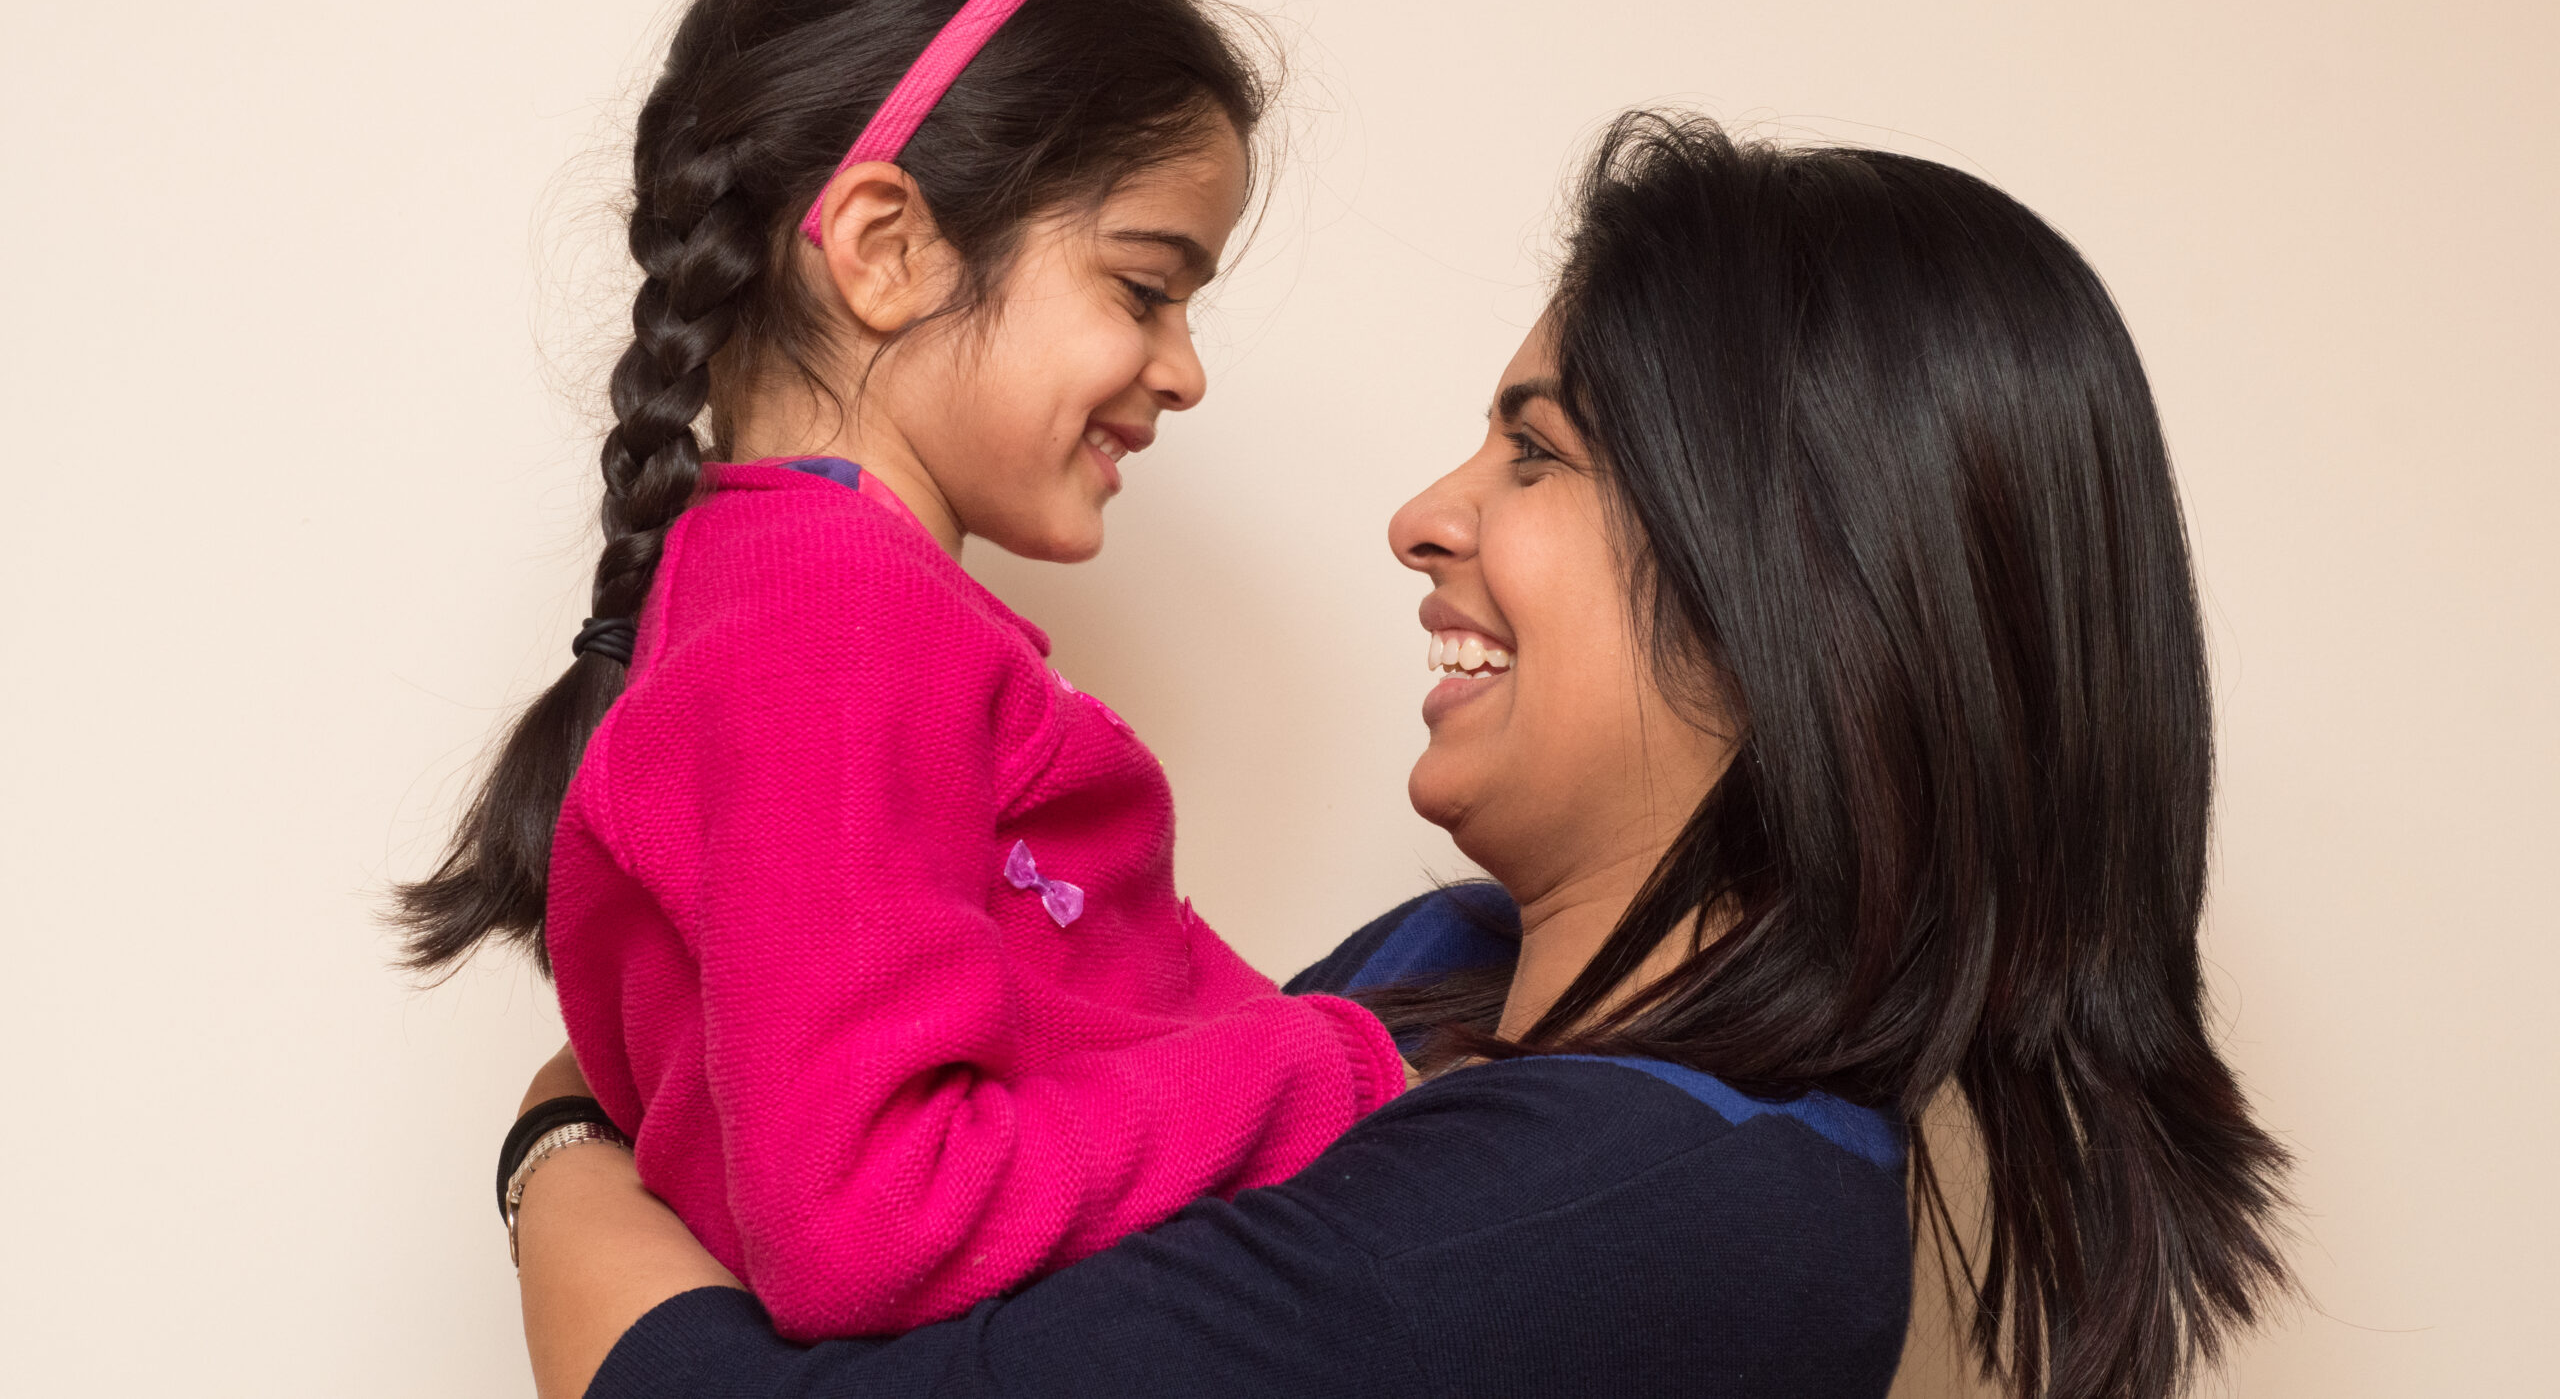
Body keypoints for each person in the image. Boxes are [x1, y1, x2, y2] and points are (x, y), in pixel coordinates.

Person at [506, 113, 2297, 1399]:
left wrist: (571, 1141)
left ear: (1793, 590)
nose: (1422, 516)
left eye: (1534, 454)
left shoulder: (1663, 1211)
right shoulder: (1437, 986)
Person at [393, 0, 1406, 1342]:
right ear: (886, 248)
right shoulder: (835, 630)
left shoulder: (796, 606)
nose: (1185, 368)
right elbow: (869, 1220)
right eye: (1144, 286)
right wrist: (1337, 1069)